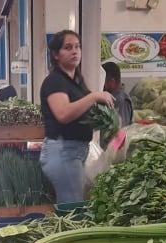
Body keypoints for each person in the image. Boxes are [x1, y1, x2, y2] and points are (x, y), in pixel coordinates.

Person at [39, 29, 115, 204]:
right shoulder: (54, 81)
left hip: (75, 152)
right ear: (56, 54)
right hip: (63, 151)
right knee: (72, 208)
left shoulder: (75, 83)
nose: (75, 51)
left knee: (74, 205)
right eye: (68, 47)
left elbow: (82, 117)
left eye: (77, 47)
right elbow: (63, 114)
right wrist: (93, 96)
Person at [102, 61, 133, 126]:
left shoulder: (121, 100)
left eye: (102, 81)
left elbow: (122, 128)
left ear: (111, 82)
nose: (101, 85)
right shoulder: (112, 96)